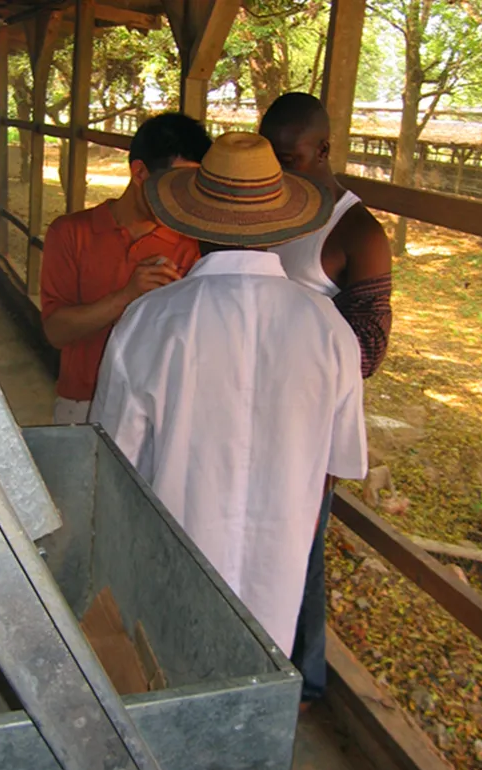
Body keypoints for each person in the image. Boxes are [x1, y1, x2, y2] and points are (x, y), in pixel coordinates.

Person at [91, 132, 367, 656]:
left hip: (171, 571)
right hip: (278, 585)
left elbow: (114, 462)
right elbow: (337, 463)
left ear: (194, 222)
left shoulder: (150, 321)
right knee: (255, 707)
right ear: (278, 225)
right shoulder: (329, 329)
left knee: (171, 685)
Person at [260, 92, 393, 705]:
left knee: (300, 538)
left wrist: (289, 361)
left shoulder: (357, 231)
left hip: (306, 419)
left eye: (289, 157)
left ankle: (303, 676)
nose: (279, 169)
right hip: (245, 400)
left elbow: (368, 346)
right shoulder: (264, 207)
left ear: (324, 149)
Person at [40, 113, 212, 424]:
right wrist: (127, 295)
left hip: (154, 409)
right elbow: (56, 331)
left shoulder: (193, 247)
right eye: (174, 184)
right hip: (81, 402)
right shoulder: (70, 233)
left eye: (190, 186)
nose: (181, 198)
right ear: (140, 173)